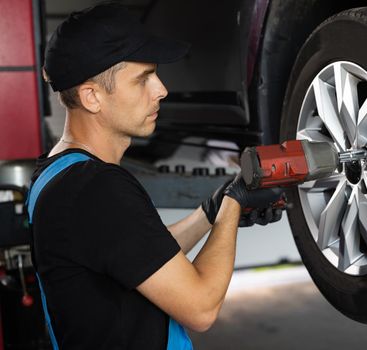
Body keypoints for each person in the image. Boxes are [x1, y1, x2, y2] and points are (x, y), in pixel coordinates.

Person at [28, 3, 283, 349]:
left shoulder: (55, 174)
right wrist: (233, 209)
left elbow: (138, 253)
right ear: (92, 97)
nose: (161, 89)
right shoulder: (97, 188)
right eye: (143, 78)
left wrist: (211, 212)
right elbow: (202, 306)